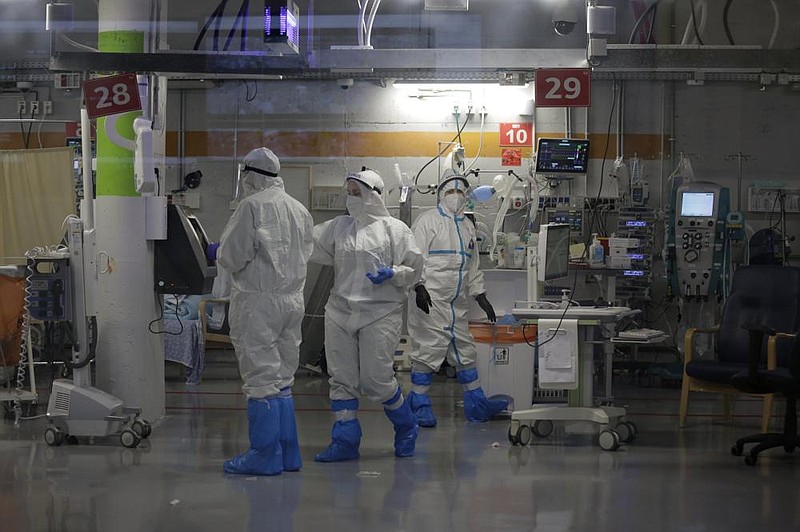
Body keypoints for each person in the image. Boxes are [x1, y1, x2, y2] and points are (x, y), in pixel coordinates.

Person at [207, 147, 314, 475]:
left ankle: (264, 456)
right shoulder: (299, 209)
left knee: (260, 378)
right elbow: (306, 250)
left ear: (249, 174)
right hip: (293, 301)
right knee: (282, 376)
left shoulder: (251, 207)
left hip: (258, 303)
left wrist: (218, 251)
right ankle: (288, 452)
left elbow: (233, 256)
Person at [311, 169, 424, 462]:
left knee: (376, 380)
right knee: (341, 378)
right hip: (339, 311)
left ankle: (406, 425)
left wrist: (393, 273)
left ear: (373, 194)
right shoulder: (339, 227)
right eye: (348, 192)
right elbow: (305, 242)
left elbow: (414, 268)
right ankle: (345, 440)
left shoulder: (395, 229)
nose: (351, 198)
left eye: (357, 192)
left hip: (380, 311)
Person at [406, 170, 508, 427]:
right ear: (441, 194)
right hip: (431, 299)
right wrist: (418, 285)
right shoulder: (427, 221)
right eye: (450, 191)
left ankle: (476, 404)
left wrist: (480, 294)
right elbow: (415, 257)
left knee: (465, 350)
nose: (455, 196)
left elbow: (471, 264)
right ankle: (418, 404)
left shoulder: (467, 226)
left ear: (467, 195)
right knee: (428, 350)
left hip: (457, 301)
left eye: (460, 191)